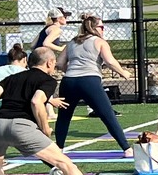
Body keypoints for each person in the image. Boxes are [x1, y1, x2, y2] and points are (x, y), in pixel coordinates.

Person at [0, 47, 103, 175]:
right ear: (50, 63)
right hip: (21, 126)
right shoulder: (48, 80)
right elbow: (36, 101)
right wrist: (44, 127)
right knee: (64, 162)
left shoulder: (12, 77)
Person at [53, 15, 135, 152]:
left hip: (68, 81)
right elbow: (110, 61)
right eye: (101, 27)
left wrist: (72, 71)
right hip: (89, 81)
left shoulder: (72, 42)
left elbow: (60, 63)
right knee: (107, 114)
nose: (103, 30)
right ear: (94, 28)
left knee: (64, 117)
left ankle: (59, 148)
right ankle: (126, 148)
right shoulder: (100, 41)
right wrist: (123, 73)